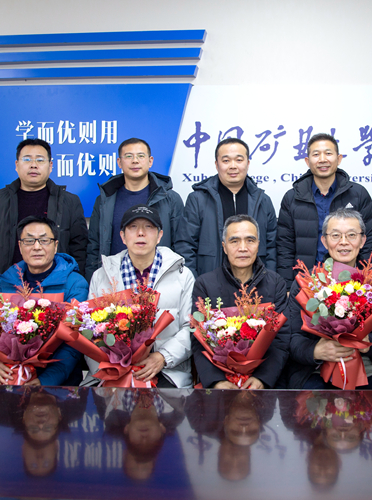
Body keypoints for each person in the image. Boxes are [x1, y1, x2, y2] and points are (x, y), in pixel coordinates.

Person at [283, 208, 372, 391]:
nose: (344, 242)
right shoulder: (307, 283)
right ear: (324, 241)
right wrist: (315, 351)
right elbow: (291, 338)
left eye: (351, 235)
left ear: (362, 241)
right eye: (336, 235)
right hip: (315, 370)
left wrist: (367, 342)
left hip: (369, 369)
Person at [86, 204, 195, 388]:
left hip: (167, 372)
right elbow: (89, 331)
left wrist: (163, 357)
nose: (141, 233)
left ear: (160, 235)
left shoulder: (182, 275)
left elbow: (190, 328)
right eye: (133, 227)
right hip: (113, 371)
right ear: (122, 236)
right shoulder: (102, 276)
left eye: (149, 227)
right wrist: (111, 368)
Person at [0, 216, 88, 386]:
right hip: (11, 376)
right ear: (20, 246)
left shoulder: (74, 283)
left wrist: (46, 380)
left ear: (55, 245)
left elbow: (73, 342)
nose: (37, 247)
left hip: (59, 382)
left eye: (44, 240)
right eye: (29, 241)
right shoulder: (6, 281)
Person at [191, 214, 289, 389]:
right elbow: (199, 342)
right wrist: (217, 382)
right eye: (234, 241)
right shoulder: (205, 284)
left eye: (250, 240)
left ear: (258, 245)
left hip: (265, 384)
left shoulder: (276, 284)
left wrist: (262, 379)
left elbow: (281, 340)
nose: (243, 248)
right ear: (224, 247)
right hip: (220, 382)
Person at [276, 133, 372, 285]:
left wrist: (370, 282)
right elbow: (285, 246)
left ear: (339, 159)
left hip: (350, 284)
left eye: (328, 153)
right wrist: (287, 285)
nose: (322, 159)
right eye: (316, 154)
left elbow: (370, 243)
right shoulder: (292, 198)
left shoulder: (358, 194)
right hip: (306, 282)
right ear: (307, 161)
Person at [0, 138, 88, 275]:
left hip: (56, 282)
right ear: (17, 165)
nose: (33, 165)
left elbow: (80, 248)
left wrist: (74, 280)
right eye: (27, 159)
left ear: (50, 166)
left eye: (40, 160)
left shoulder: (69, 201)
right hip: (5, 281)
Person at [177, 138, 278, 278]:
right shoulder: (198, 199)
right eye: (226, 161)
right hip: (209, 283)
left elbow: (272, 248)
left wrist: (268, 282)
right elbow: (185, 246)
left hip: (255, 284)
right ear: (216, 164)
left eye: (239, 160)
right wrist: (194, 283)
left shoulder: (263, 201)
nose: (233, 166)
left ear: (248, 163)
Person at [86, 137, 184, 279]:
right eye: (128, 156)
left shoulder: (170, 199)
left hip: (160, 279)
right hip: (115, 280)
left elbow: (181, 244)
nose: (135, 161)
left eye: (141, 156)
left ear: (150, 161)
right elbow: (94, 246)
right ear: (119, 162)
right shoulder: (105, 199)